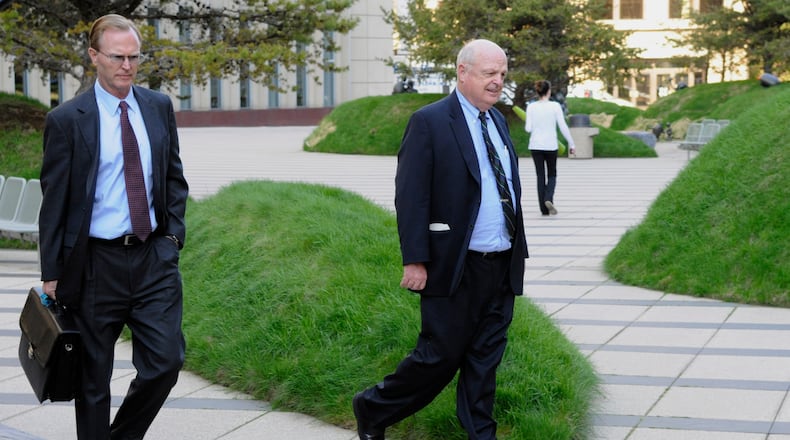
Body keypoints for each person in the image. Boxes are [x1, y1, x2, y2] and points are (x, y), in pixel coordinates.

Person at [352, 39, 528, 440]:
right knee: (440, 357)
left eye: (502, 74)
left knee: (485, 360)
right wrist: (415, 259)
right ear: (462, 72)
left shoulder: (497, 121)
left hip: (502, 263)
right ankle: (373, 408)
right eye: (490, 74)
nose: (498, 82)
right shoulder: (430, 121)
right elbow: (412, 195)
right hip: (455, 264)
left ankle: (481, 434)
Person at [38, 14, 188, 440]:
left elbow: (174, 178)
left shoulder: (158, 107)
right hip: (93, 265)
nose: (127, 65)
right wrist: (52, 271)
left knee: (165, 364)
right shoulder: (68, 120)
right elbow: (55, 202)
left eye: (134, 57)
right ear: (94, 57)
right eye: (118, 56)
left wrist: (173, 238)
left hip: (152, 258)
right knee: (92, 382)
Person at [524, 79, 575, 216]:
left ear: (537, 91)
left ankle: (543, 209)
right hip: (551, 145)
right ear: (549, 91)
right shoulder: (555, 106)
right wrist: (571, 143)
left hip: (535, 145)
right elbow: (562, 126)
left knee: (540, 176)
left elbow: (528, 128)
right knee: (552, 174)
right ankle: (548, 198)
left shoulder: (531, 107)